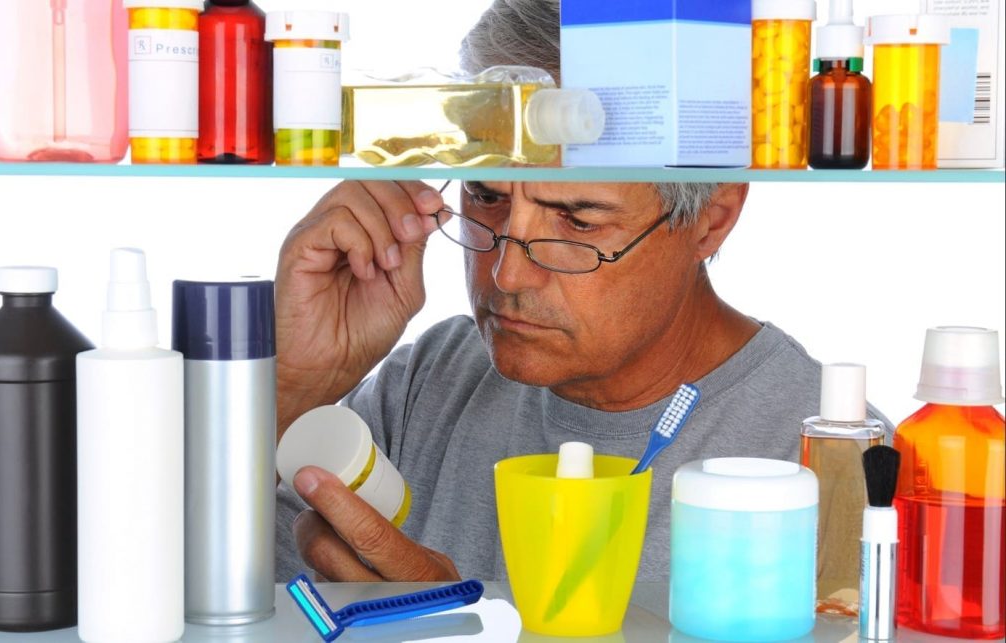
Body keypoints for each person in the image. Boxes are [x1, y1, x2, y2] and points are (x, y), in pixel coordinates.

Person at [274, 0, 887, 583]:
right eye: (484, 196)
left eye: (578, 220)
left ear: (712, 218)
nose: (508, 276)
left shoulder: (830, 456)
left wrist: (462, 628)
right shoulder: (430, 382)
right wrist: (289, 387)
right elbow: (230, 598)